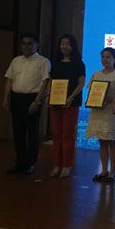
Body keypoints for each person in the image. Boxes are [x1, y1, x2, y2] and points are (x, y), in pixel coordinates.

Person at [3, 33, 50, 175]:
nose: (26, 46)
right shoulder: (16, 60)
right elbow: (9, 80)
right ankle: (20, 163)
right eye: (24, 43)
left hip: (32, 98)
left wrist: (37, 101)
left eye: (30, 43)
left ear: (37, 45)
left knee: (32, 133)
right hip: (16, 98)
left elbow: (45, 82)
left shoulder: (43, 61)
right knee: (18, 132)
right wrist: (6, 98)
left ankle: (30, 163)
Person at [48, 34, 86, 178]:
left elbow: (81, 84)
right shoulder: (55, 62)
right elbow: (50, 81)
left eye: (67, 44)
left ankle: (67, 165)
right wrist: (48, 95)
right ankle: (56, 164)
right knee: (56, 135)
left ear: (73, 46)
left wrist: (71, 97)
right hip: (55, 102)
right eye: (62, 43)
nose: (64, 46)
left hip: (71, 103)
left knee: (67, 135)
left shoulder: (79, 64)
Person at [85, 47, 115, 183]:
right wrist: (90, 101)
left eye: (108, 57)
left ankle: (113, 171)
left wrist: (109, 100)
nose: (105, 59)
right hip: (98, 111)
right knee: (102, 142)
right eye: (103, 57)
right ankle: (104, 170)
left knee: (112, 141)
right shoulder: (96, 74)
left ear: (114, 59)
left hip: (110, 111)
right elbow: (91, 92)